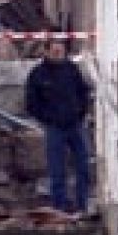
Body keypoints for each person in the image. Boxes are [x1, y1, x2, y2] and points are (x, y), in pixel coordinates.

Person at [25, 37, 93, 215]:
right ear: (46, 52)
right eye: (55, 52)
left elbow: (83, 93)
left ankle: (82, 206)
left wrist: (81, 112)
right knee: (57, 171)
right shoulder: (38, 75)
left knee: (83, 167)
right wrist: (48, 119)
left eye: (61, 52)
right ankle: (59, 209)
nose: (59, 55)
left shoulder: (71, 70)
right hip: (55, 128)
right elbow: (31, 104)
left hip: (75, 125)